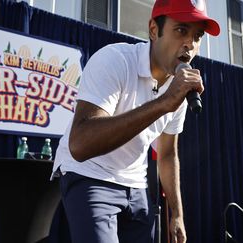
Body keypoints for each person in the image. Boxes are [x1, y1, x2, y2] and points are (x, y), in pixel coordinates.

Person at [50, 1, 220, 242]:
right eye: (181, 30)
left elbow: (167, 154)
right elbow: (80, 144)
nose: (190, 44)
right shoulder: (115, 59)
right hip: (90, 174)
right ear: (153, 29)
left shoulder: (178, 90)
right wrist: (163, 103)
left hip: (135, 184)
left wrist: (177, 214)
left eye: (198, 36)